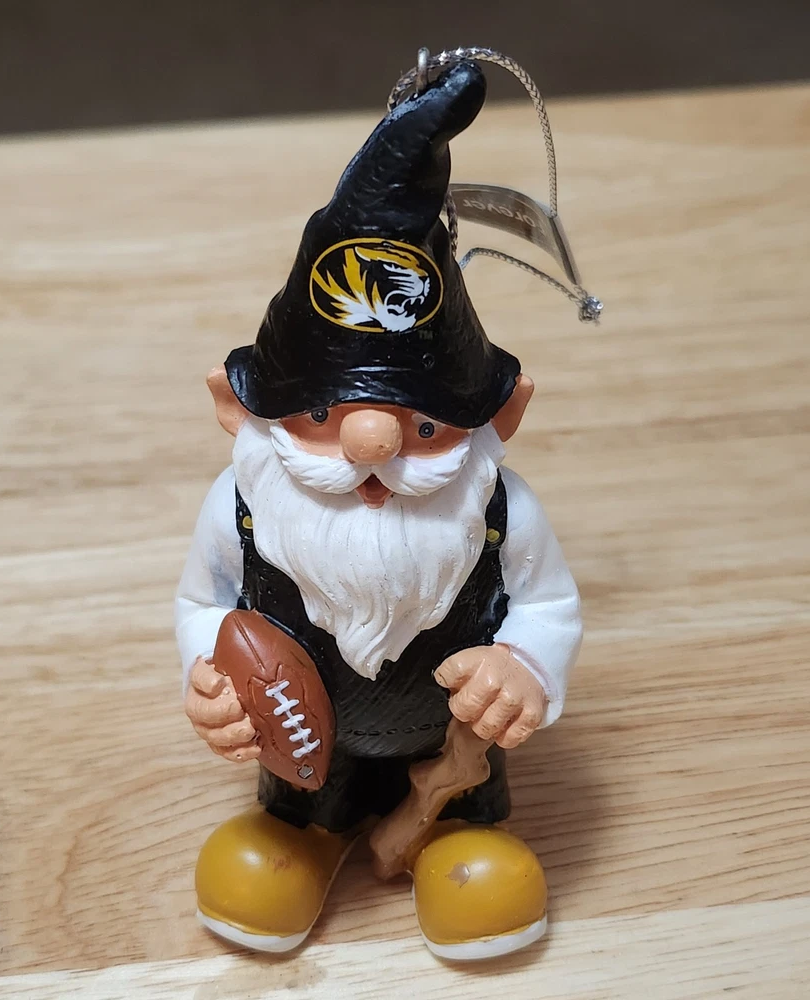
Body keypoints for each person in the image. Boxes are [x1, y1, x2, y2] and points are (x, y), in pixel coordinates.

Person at [175, 61, 581, 960]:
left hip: (452, 750)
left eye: (425, 426)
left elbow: (548, 606)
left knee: (476, 848)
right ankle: (305, 828)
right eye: (322, 414)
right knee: (282, 832)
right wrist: (210, 678)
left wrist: (523, 668)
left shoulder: (500, 512)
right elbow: (206, 604)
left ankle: (458, 833)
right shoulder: (242, 508)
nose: (372, 447)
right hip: (304, 746)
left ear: (502, 418)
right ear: (236, 409)